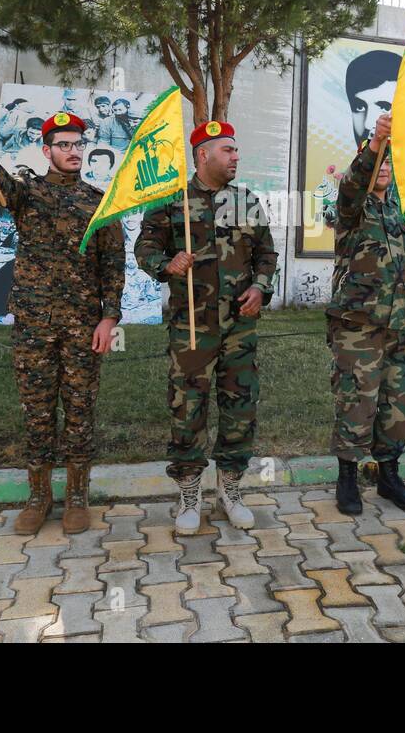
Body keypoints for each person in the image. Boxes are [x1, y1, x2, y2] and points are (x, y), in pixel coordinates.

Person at [0, 112, 125, 534]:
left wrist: (109, 318)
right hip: (34, 324)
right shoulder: (27, 194)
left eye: (78, 145)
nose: (73, 152)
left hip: (81, 325)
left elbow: (113, 266)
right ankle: (38, 496)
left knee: (78, 409)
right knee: (36, 411)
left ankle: (76, 496)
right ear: (47, 150)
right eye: (65, 145)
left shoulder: (99, 202)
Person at [135, 121, 278, 535]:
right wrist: (167, 264)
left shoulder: (247, 202)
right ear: (203, 154)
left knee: (239, 408)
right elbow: (144, 248)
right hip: (191, 326)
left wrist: (259, 287)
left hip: (239, 327)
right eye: (227, 150)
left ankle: (229, 491)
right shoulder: (171, 202)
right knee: (187, 408)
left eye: (236, 151)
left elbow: (267, 253)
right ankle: (189, 492)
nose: (236, 157)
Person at [327, 113, 405, 515]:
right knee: (355, 401)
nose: (382, 167)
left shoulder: (400, 216)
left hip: (398, 327)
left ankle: (389, 476)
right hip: (358, 326)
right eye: (377, 162)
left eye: (389, 162)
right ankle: (348, 478)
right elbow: (352, 183)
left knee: (395, 404)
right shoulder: (352, 207)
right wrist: (374, 145)